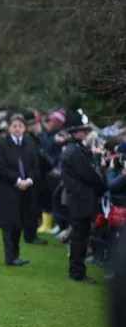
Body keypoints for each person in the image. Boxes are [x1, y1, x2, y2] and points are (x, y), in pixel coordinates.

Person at [60, 110, 106, 283]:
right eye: (81, 130)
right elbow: (90, 175)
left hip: (79, 198)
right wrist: (103, 186)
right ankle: (77, 272)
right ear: (74, 132)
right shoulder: (74, 152)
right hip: (81, 199)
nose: (84, 133)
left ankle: (76, 271)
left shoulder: (74, 149)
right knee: (80, 237)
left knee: (80, 236)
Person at [0, 114, 40, 266]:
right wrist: (17, 180)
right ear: (9, 128)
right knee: (8, 225)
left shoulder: (29, 143)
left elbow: (35, 165)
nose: (17, 129)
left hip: (25, 191)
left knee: (19, 224)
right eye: (14, 126)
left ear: (24, 128)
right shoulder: (1, 144)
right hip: (8, 190)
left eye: (20, 126)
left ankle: (16, 256)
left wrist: (29, 180)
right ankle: (9, 257)